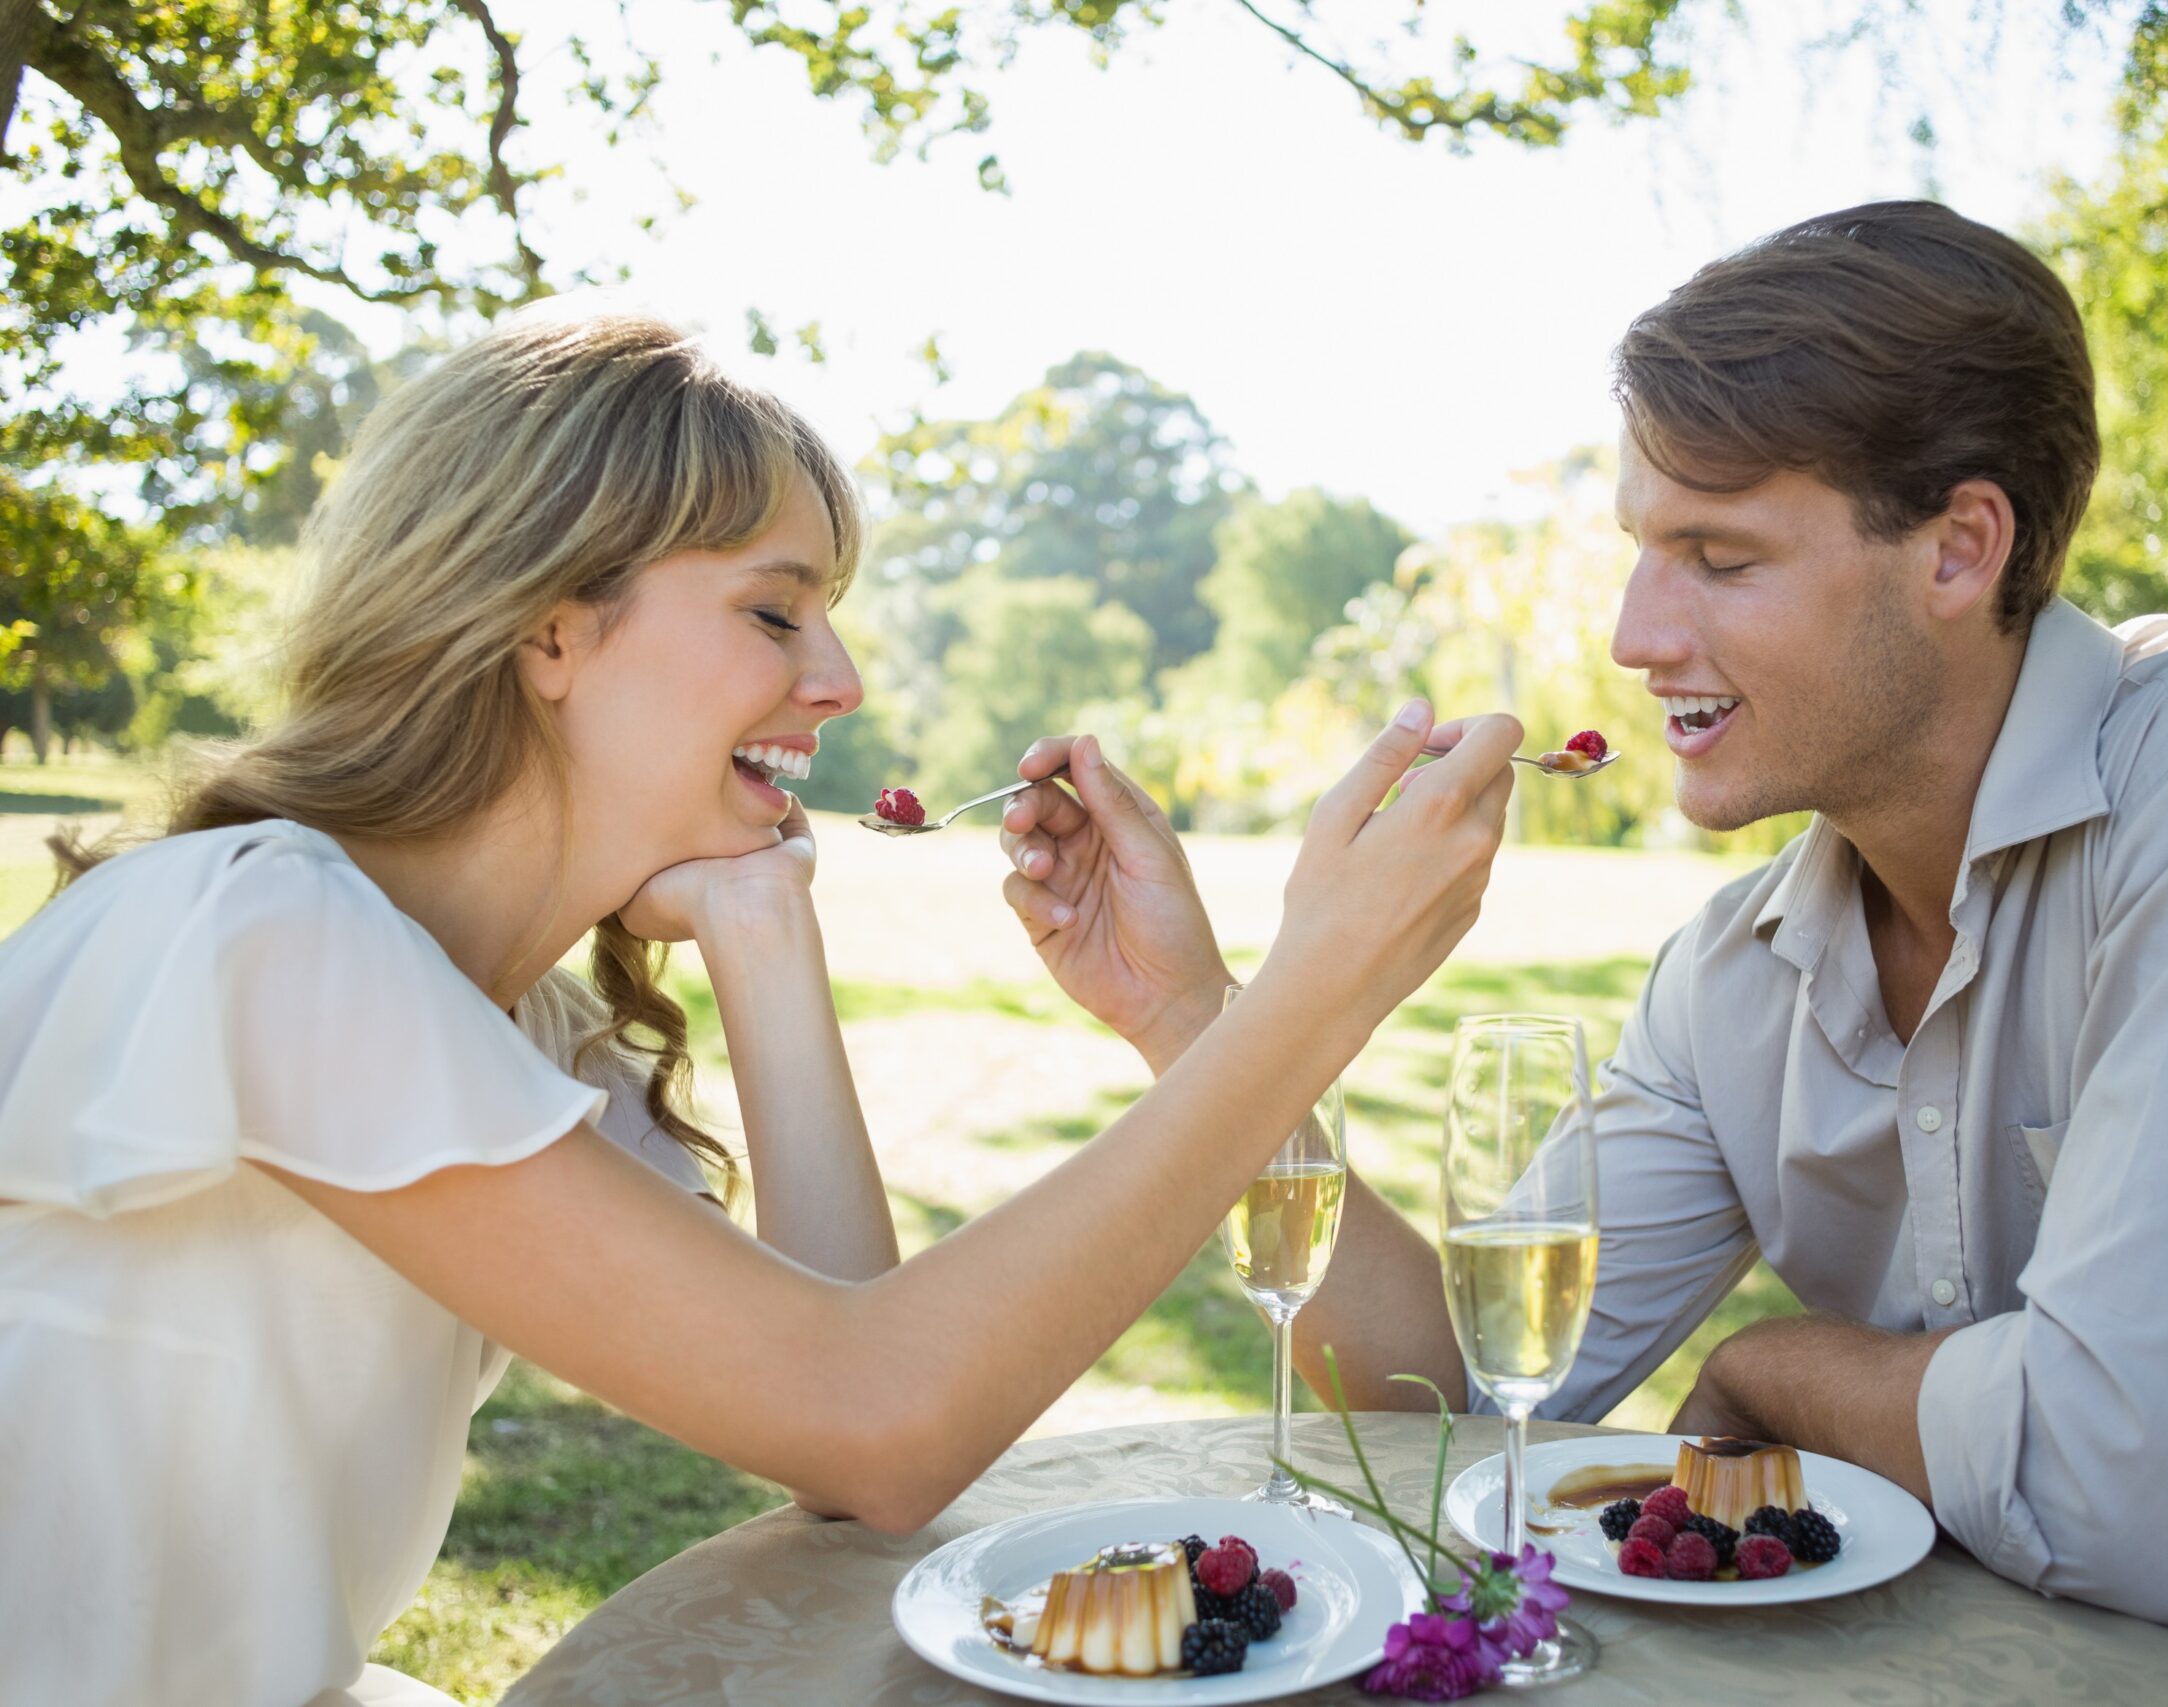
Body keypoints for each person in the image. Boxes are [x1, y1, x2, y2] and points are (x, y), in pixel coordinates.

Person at [1003, 203, 2168, 1706]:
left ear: (1958, 549)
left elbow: (2129, 1501)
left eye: (1720, 557)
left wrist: (1783, 1374)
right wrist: (1207, 1018)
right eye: (1641, 547)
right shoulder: (1736, 974)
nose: (1633, 631)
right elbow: (1452, 1392)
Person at [0, 311, 1522, 1707]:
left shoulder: (501, 1015)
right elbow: (876, 1417)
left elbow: (853, 1452)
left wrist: (761, 924)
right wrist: (1314, 996)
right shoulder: (263, 934)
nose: (843, 678)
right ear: (548, 629)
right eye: (776, 614)